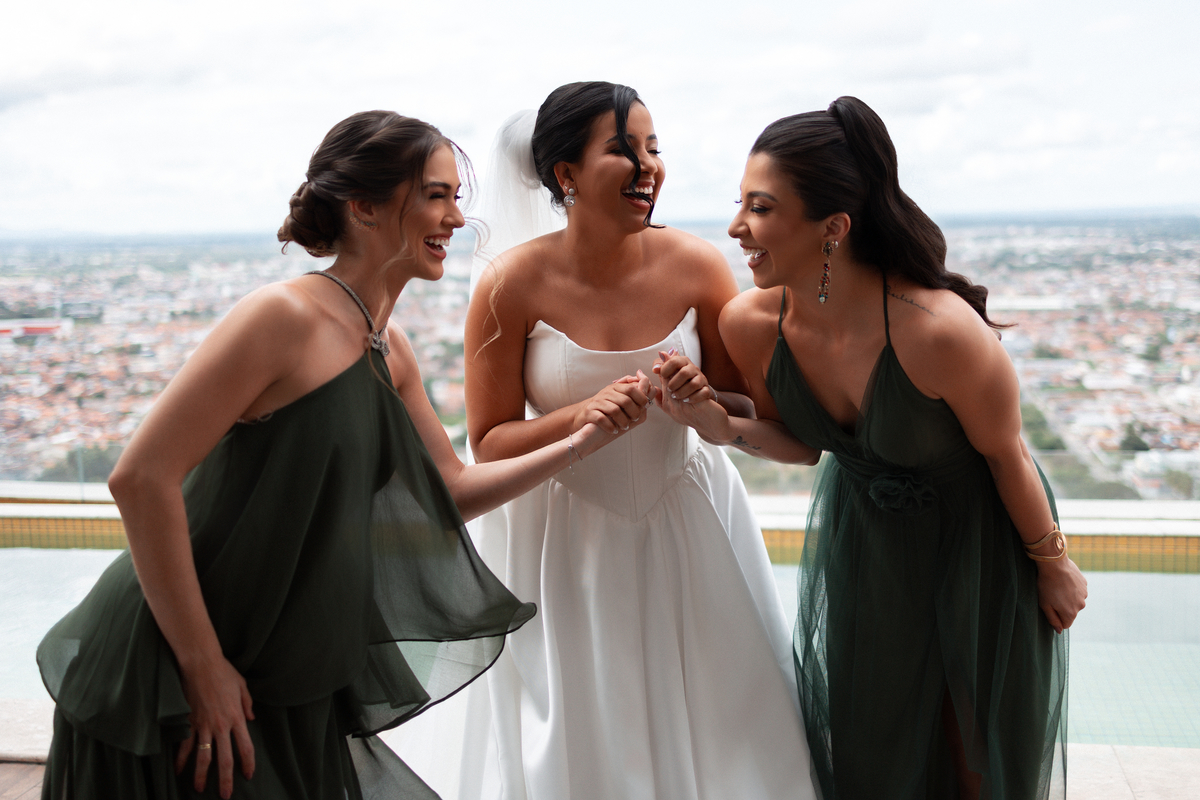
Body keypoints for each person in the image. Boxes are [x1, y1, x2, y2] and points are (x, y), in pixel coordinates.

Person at [36, 110, 625, 800]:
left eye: (457, 197)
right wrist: (202, 666)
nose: (456, 219)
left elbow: (451, 490)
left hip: (285, 662)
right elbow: (140, 478)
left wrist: (580, 442)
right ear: (364, 207)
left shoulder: (390, 348)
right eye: (435, 196)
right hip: (181, 659)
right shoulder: (282, 318)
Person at [655, 96, 1088, 800]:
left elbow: (1008, 456)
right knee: (877, 744)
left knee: (975, 750)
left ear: (834, 227)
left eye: (760, 208)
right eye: (740, 204)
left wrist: (1053, 564)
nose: (736, 228)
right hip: (869, 546)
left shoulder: (939, 332)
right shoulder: (749, 323)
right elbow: (801, 447)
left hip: (980, 548)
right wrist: (718, 426)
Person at [457, 82, 815, 800]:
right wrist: (582, 418)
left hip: (687, 524)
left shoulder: (697, 265)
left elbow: (751, 413)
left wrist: (702, 402)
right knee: (584, 737)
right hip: (563, 542)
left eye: (654, 148)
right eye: (624, 149)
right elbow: (489, 443)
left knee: (724, 727)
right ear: (565, 174)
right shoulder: (508, 284)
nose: (648, 165)